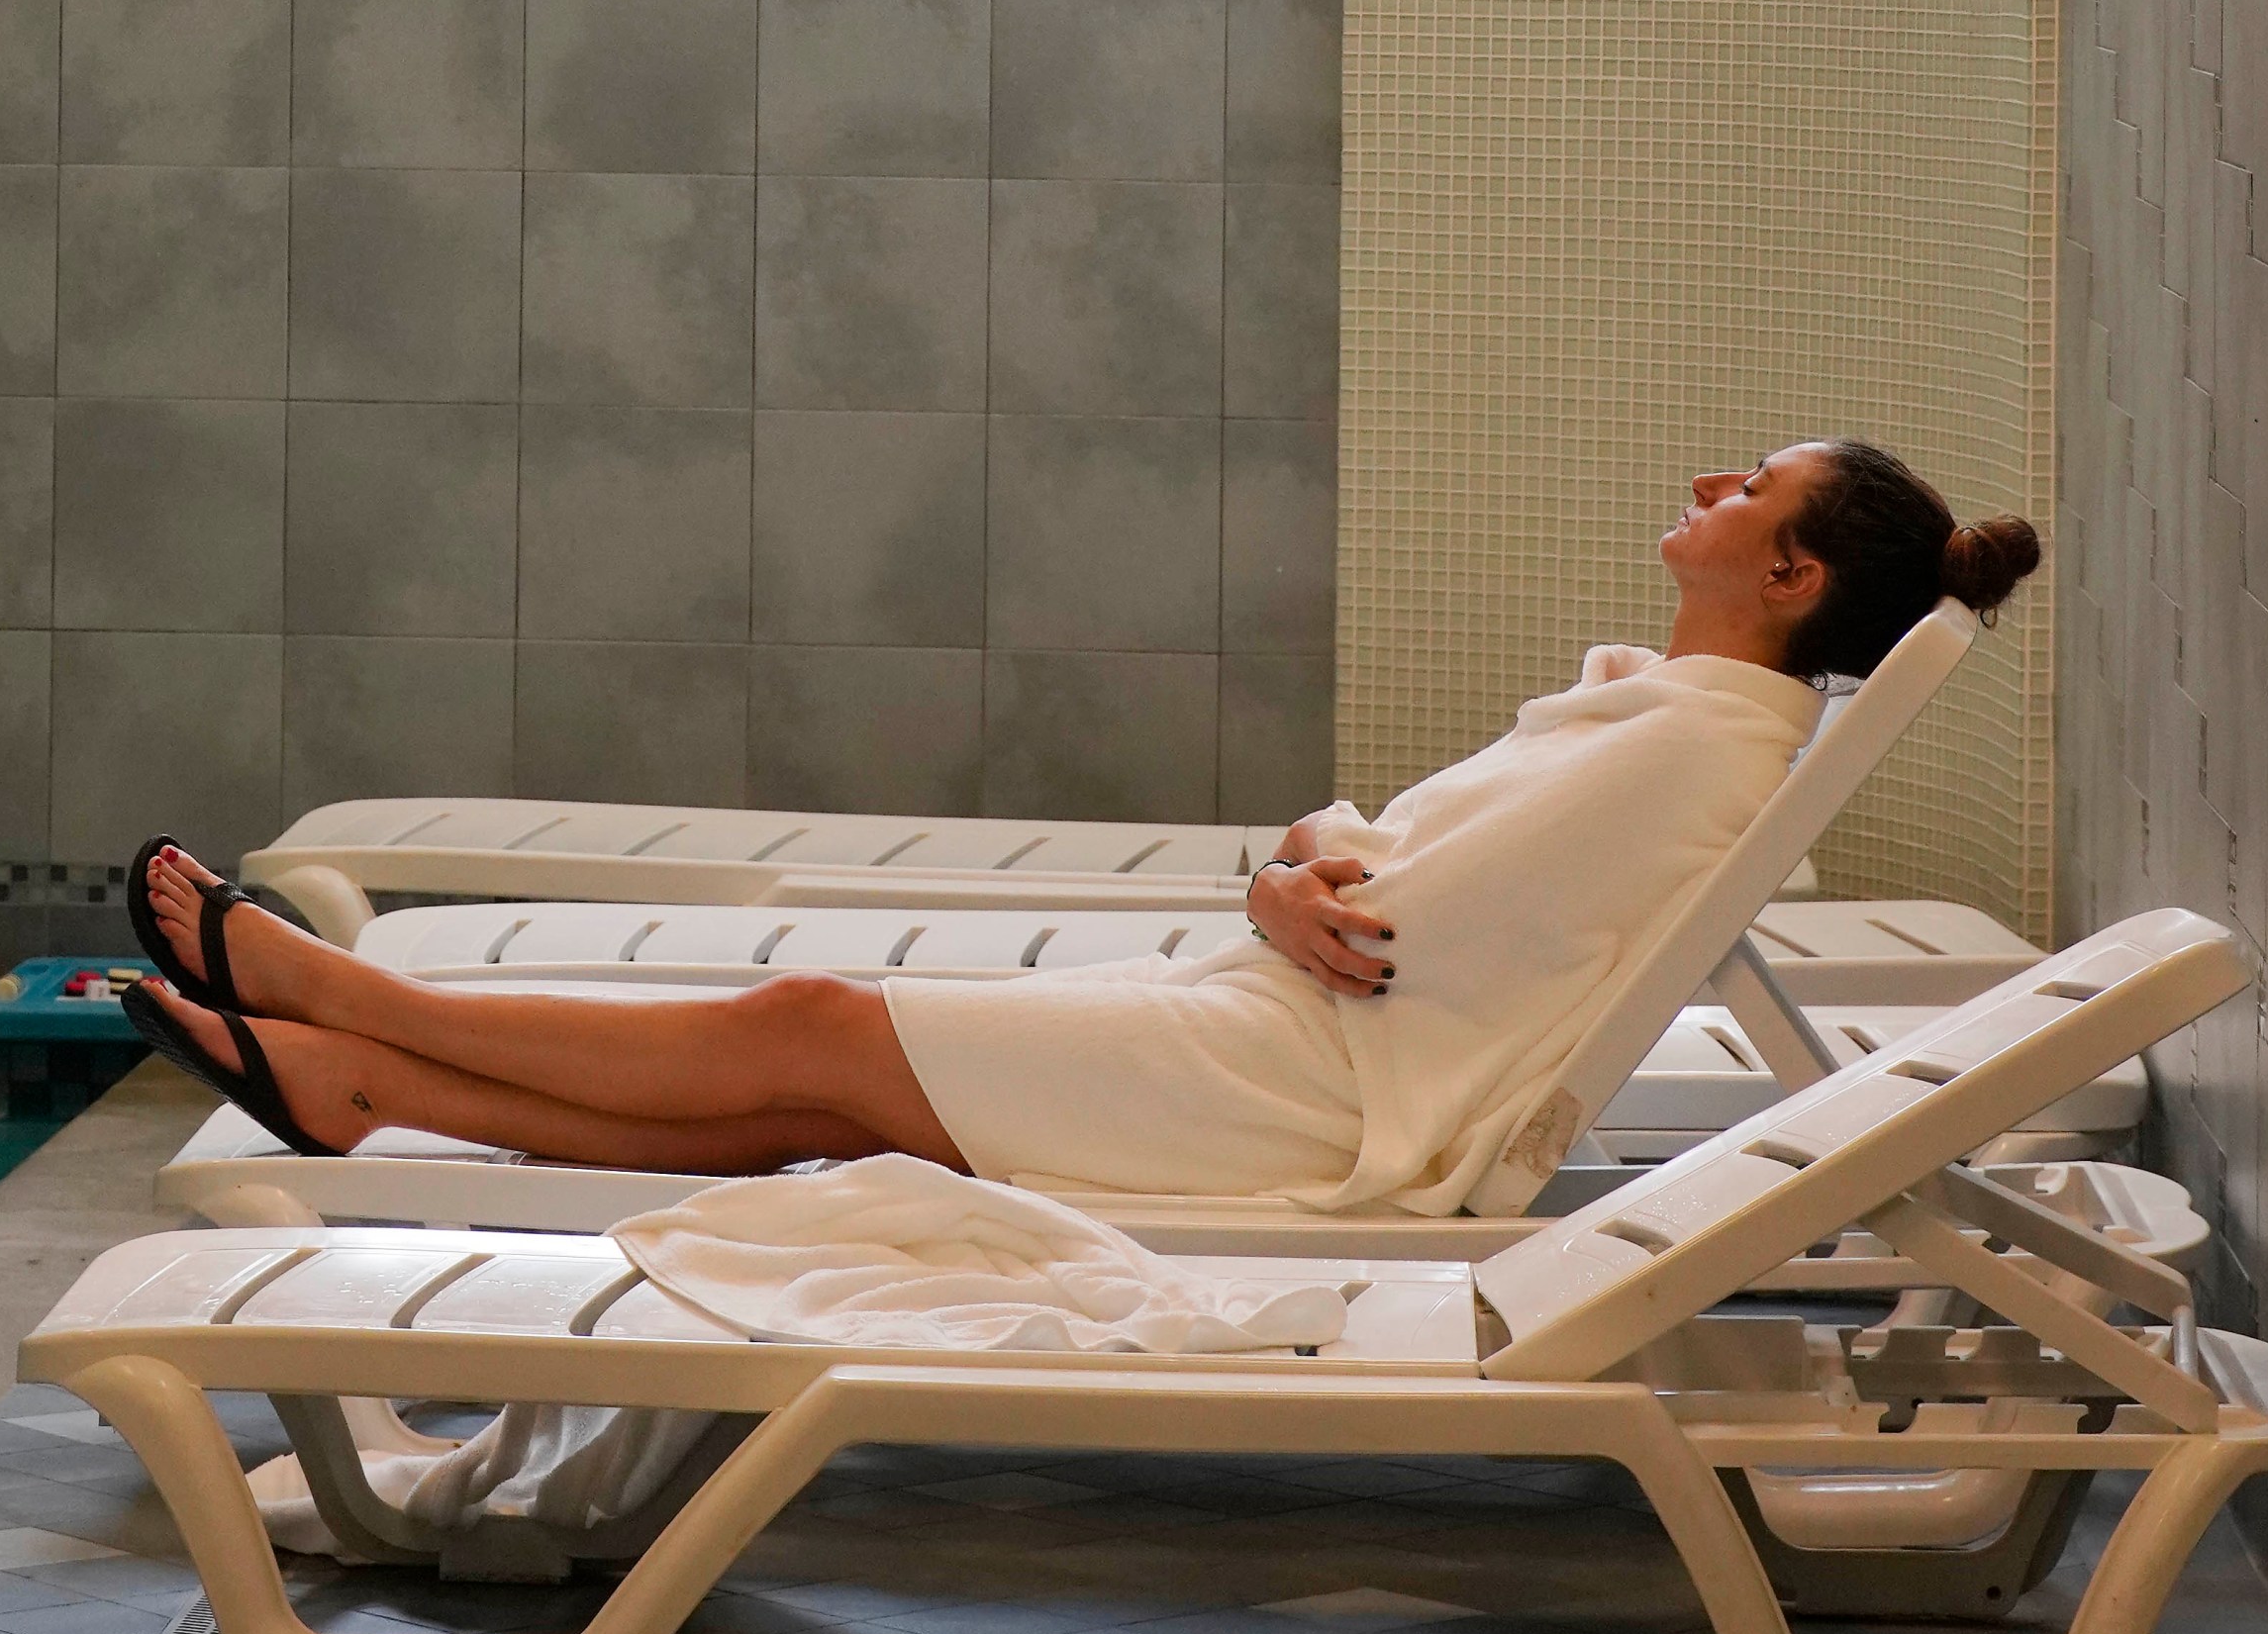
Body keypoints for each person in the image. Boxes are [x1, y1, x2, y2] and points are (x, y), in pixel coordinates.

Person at [121, 441, 2042, 1215]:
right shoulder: (1674, 702)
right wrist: (1296, 866)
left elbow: (1384, 925)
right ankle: (369, 1091)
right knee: (814, 1087)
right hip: (1271, 1018)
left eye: (1746, 485)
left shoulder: (1696, 744)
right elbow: (1353, 855)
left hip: (1300, 1084)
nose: (1702, 483)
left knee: (805, 1026)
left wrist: (1306, 882)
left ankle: (332, 993)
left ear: (1786, 569)